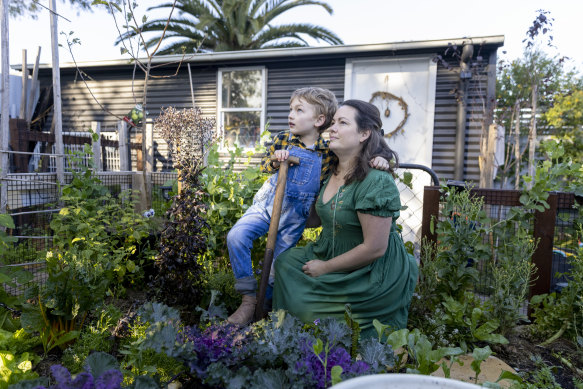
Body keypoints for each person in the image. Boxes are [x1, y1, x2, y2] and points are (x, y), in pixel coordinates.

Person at [226, 88, 391, 326]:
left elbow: (366, 151)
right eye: (290, 109)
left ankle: (263, 310)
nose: (291, 115)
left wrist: (384, 158)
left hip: (295, 215)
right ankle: (248, 298)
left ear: (318, 120)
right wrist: (276, 159)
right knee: (236, 236)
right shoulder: (284, 139)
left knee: (275, 269)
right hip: (268, 204)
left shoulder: (329, 152)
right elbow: (266, 165)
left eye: (298, 110)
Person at [272, 99, 419, 338]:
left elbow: (374, 248)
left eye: (342, 123)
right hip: (330, 250)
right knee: (285, 262)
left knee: (306, 308)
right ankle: (286, 335)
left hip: (369, 270)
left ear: (364, 134)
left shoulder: (376, 181)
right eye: (332, 123)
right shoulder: (330, 171)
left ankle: (312, 346)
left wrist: (325, 268)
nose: (332, 128)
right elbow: (317, 221)